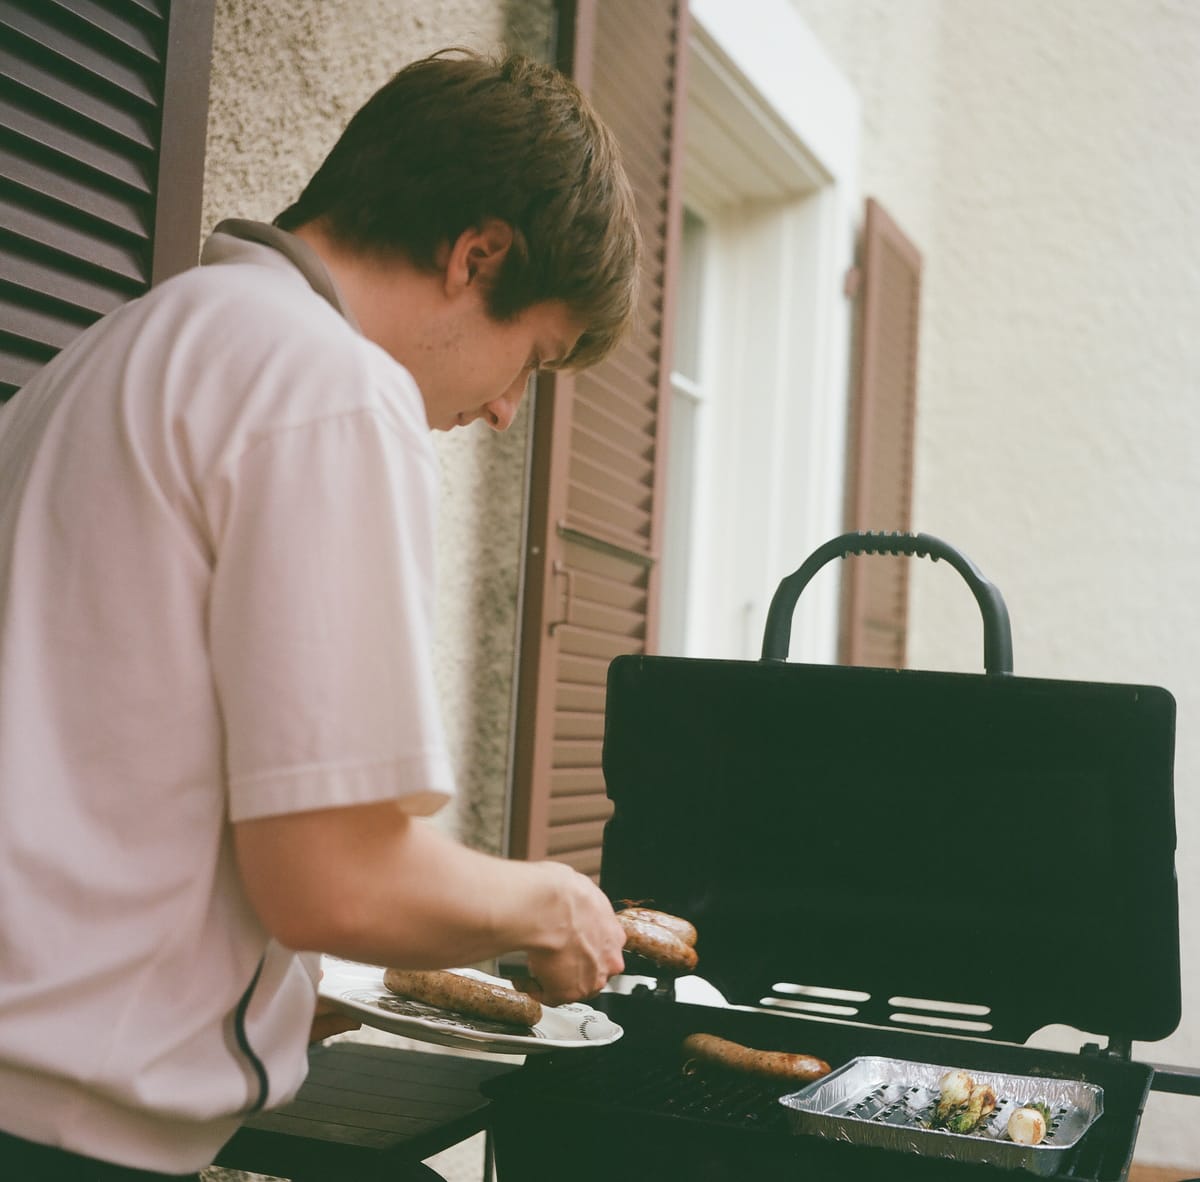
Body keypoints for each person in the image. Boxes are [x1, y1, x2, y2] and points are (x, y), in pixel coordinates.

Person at [0, 48, 639, 1181]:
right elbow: (335, 877)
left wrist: (254, 994)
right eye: (529, 360)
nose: (501, 410)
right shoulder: (331, 384)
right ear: (476, 253)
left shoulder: (110, 353)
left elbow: (94, 779)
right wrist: (549, 905)